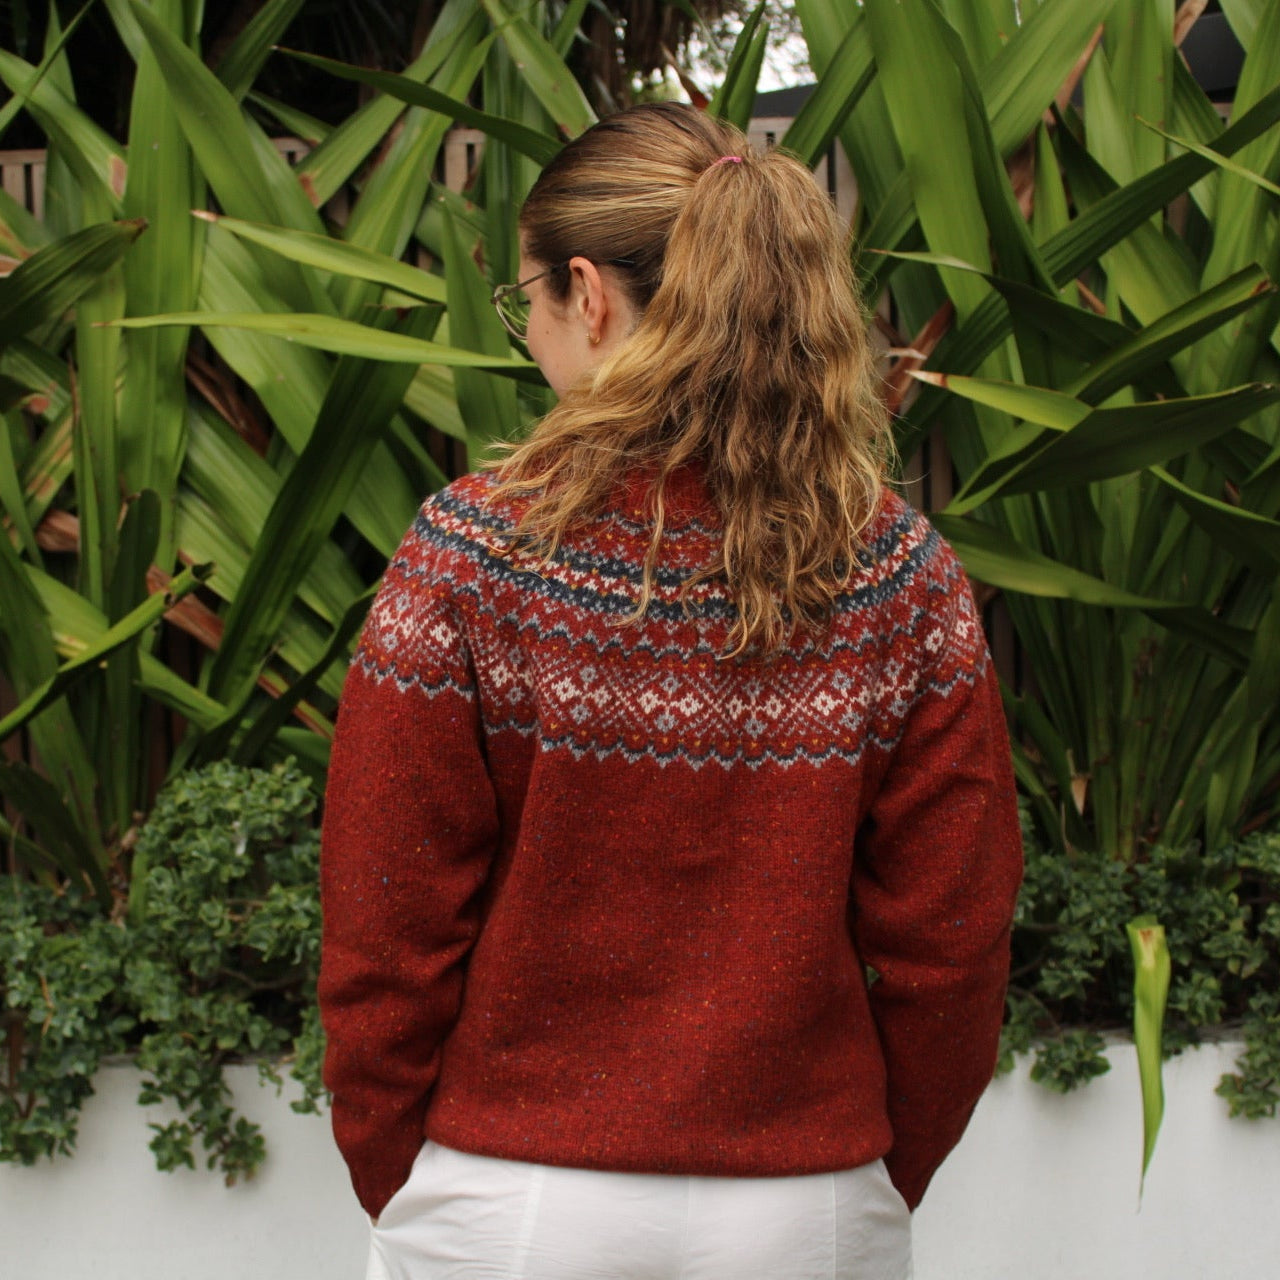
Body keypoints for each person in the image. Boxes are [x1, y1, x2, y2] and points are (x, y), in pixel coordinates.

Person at [319, 102, 1023, 1280]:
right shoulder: (896, 572)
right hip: (805, 1207)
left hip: (511, 1201)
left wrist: (408, 1181)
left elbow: (384, 922)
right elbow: (951, 941)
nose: (530, 333)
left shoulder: (471, 556)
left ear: (587, 293)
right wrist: (856, 1177)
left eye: (527, 299)